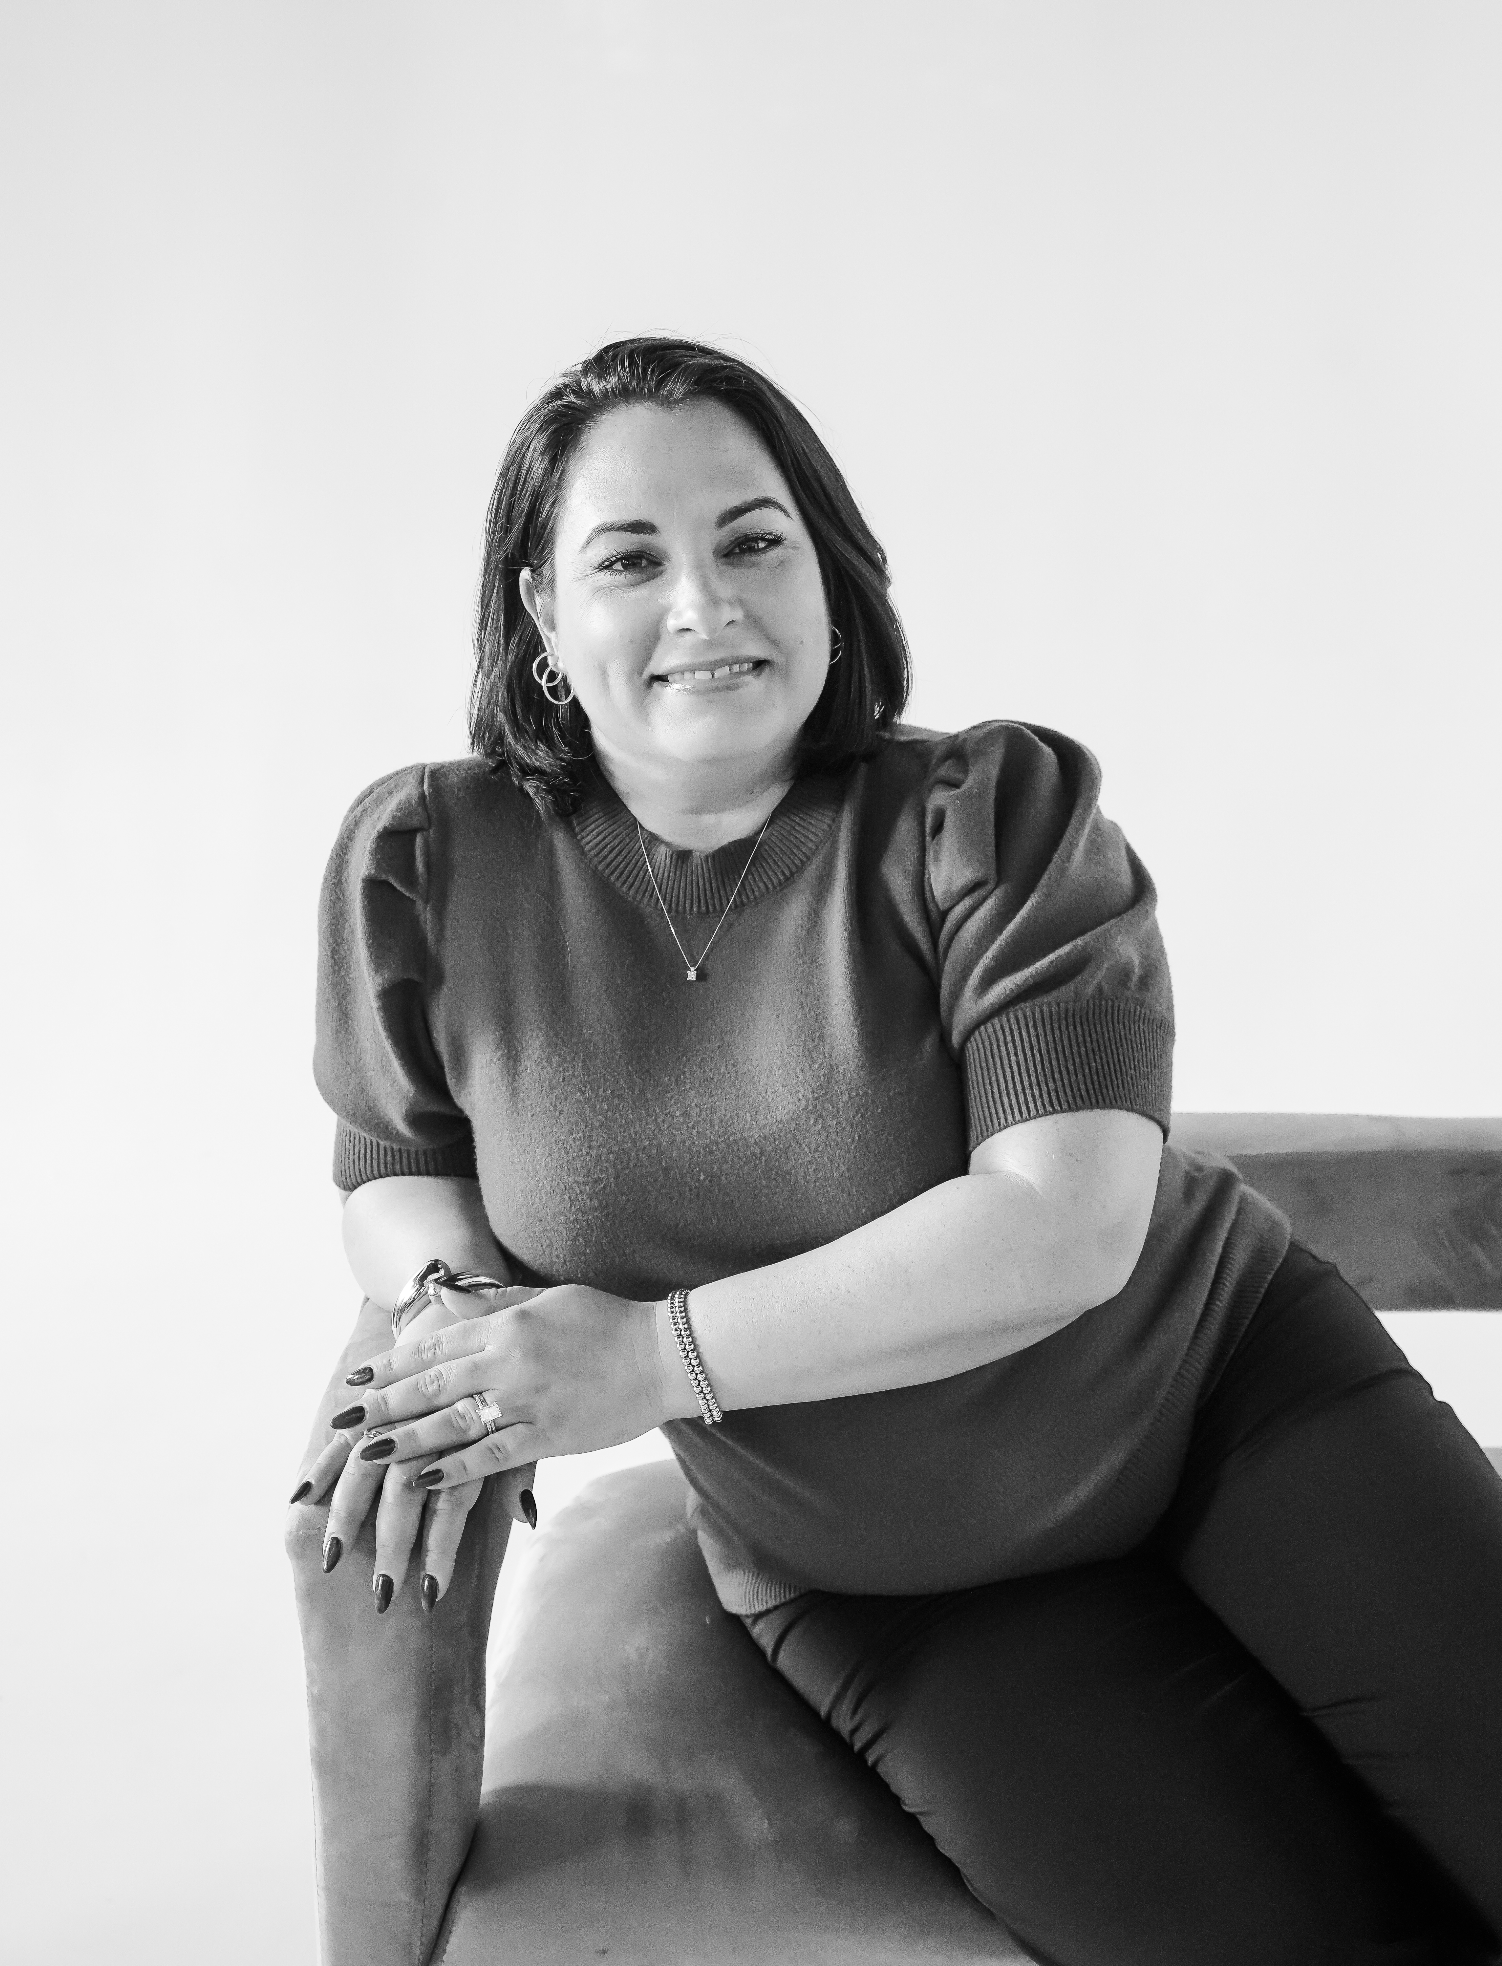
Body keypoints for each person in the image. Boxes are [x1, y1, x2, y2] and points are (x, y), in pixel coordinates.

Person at [289, 336, 1502, 1965]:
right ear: (540, 614)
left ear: (828, 571)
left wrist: (648, 1357)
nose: (706, 603)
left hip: (1227, 1403)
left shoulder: (990, 813)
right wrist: (453, 1307)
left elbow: (1059, 1227)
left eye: (751, 539)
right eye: (630, 557)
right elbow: (394, 1161)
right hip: (896, 1585)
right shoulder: (428, 859)